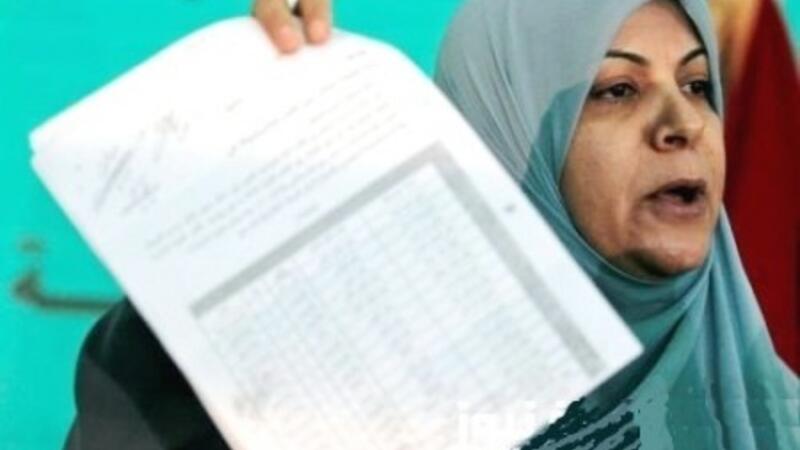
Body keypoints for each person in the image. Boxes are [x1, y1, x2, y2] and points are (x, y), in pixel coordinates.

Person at [65, 0, 800, 448]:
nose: (682, 123)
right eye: (616, 90)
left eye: (698, 85)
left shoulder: (781, 417)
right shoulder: (350, 405)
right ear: (511, 139)